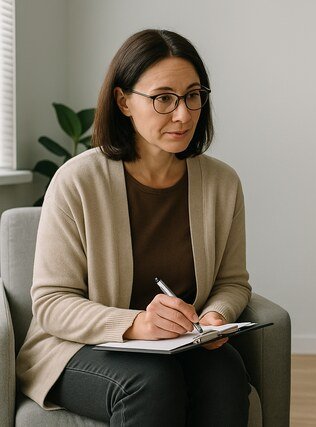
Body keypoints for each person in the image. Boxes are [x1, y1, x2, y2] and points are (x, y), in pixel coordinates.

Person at [16, 29, 252, 426]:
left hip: (178, 345)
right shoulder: (77, 181)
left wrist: (215, 315)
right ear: (124, 101)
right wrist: (134, 324)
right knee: (149, 380)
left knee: (225, 371)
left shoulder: (221, 183)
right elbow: (51, 302)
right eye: (164, 98)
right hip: (76, 348)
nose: (183, 114)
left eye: (193, 96)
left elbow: (233, 281)